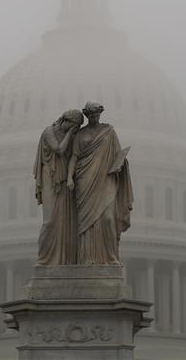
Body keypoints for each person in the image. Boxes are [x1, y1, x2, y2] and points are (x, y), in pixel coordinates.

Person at [67, 102, 133, 264]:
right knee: (86, 223)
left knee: (108, 218)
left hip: (106, 179)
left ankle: (110, 257)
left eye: (96, 115)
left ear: (100, 114)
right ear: (87, 115)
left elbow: (118, 155)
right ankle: (87, 258)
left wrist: (121, 164)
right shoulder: (80, 135)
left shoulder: (109, 132)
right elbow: (74, 157)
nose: (94, 118)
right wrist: (69, 177)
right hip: (85, 180)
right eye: (91, 115)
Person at [33, 108, 83, 265]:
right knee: (49, 222)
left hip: (63, 180)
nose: (75, 130)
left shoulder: (71, 136)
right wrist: (70, 133)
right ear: (66, 121)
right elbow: (59, 149)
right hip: (50, 177)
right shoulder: (49, 131)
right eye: (75, 126)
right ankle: (43, 258)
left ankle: (62, 259)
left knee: (63, 222)